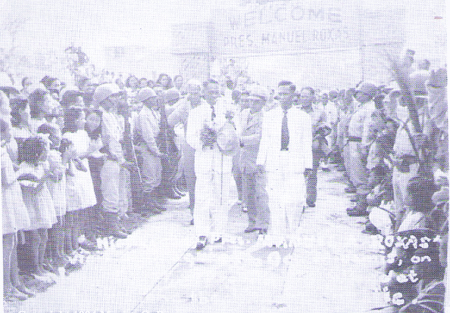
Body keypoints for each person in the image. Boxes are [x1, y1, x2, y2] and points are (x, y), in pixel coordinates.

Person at [256, 80, 312, 247]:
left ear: (293, 96)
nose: (282, 97)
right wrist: (260, 161)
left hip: (294, 161)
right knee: (275, 200)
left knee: (294, 200)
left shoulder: (303, 117)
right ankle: (278, 235)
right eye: (279, 94)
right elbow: (265, 139)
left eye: (285, 94)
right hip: (274, 161)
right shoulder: (270, 115)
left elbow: (306, 142)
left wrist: (308, 165)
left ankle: (292, 234)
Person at [186, 79, 238, 250]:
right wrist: (204, 142)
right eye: (210, 92)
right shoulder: (196, 112)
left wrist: (227, 136)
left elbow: (235, 133)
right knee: (202, 197)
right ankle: (202, 233)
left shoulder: (227, 112)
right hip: (204, 158)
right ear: (203, 93)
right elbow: (190, 137)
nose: (214, 96)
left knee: (222, 196)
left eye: (217, 92)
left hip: (222, 159)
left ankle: (219, 231)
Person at [94, 84, 132, 239]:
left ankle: (117, 222)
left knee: (119, 191)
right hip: (109, 159)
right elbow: (110, 140)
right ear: (104, 99)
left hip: (117, 158)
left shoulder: (111, 115)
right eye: (113, 96)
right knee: (111, 192)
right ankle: (111, 226)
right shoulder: (101, 115)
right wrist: (120, 159)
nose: (116, 99)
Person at [16, 136, 57, 278]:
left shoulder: (39, 165)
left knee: (44, 235)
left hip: (42, 205)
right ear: (36, 153)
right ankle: (34, 267)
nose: (47, 153)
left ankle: (40, 263)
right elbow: (32, 190)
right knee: (35, 238)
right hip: (31, 207)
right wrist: (45, 177)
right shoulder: (23, 169)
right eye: (44, 150)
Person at [2, 119, 33, 300]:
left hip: (10, 198)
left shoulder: (3, 149)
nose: (11, 132)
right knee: (6, 245)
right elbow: (5, 180)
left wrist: (18, 169)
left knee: (12, 241)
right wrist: (20, 174)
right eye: (8, 130)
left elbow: (10, 169)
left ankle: (15, 282)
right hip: (4, 201)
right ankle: (6, 287)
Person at [168, 79, 203, 223]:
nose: (194, 96)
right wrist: (181, 106)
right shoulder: (184, 106)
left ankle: (207, 211)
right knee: (191, 178)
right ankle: (195, 212)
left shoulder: (207, 105)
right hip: (190, 146)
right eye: (191, 93)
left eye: (197, 92)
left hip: (206, 146)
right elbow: (170, 121)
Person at [237, 86, 270, 234]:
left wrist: (240, 140)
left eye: (256, 102)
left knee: (261, 193)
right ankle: (252, 221)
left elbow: (259, 137)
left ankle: (263, 223)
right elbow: (237, 129)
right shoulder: (243, 113)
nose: (252, 104)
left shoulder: (266, 117)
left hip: (258, 158)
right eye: (250, 101)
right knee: (248, 192)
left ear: (263, 103)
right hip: (244, 157)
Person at [345, 82, 377, 217]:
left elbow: (367, 129)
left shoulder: (370, 109)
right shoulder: (361, 107)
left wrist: (364, 147)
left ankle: (362, 206)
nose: (357, 95)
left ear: (367, 95)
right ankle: (360, 202)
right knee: (354, 173)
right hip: (353, 142)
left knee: (360, 174)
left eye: (359, 93)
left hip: (359, 143)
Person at [134, 87, 167, 213]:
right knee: (150, 175)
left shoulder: (152, 112)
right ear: (146, 100)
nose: (155, 99)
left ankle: (153, 201)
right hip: (148, 147)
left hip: (154, 146)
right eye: (152, 98)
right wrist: (155, 151)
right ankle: (146, 203)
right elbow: (148, 135)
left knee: (156, 174)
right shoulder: (143, 114)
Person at [298, 86, 328, 208]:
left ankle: (310, 198)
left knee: (311, 172)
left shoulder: (320, 112)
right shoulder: (295, 111)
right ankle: (299, 197)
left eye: (306, 96)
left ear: (312, 97)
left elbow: (327, 128)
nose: (303, 99)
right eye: (301, 96)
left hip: (313, 146)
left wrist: (319, 135)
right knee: (298, 172)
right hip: (297, 146)